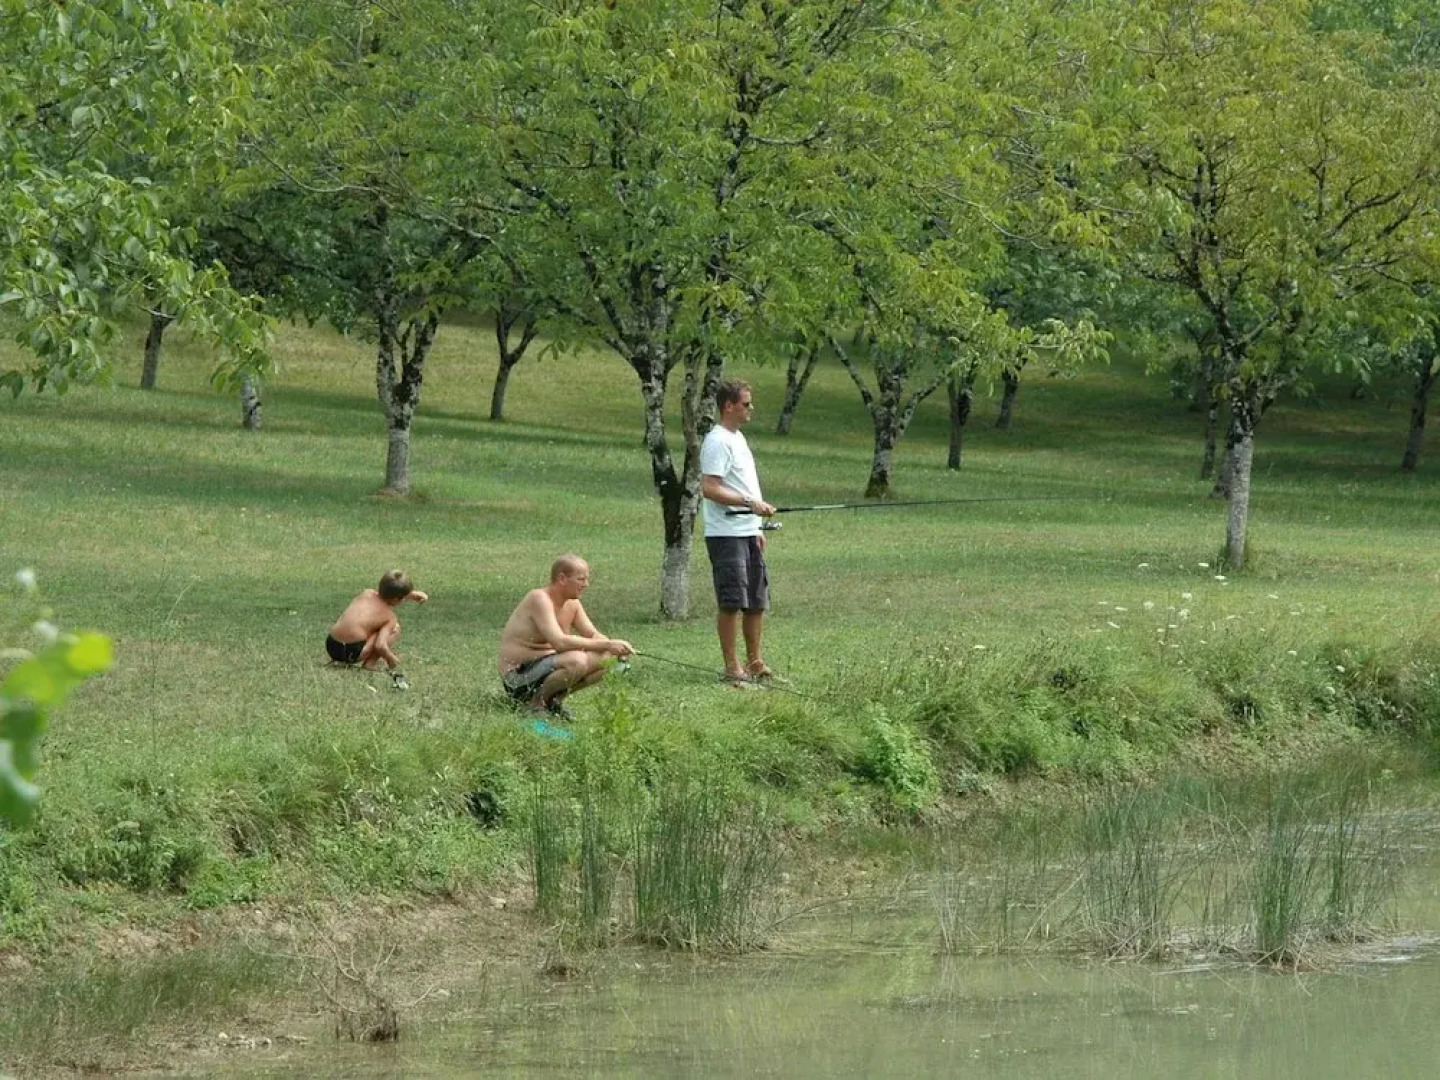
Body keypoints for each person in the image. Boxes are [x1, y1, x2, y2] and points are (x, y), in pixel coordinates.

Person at [700, 378, 777, 685]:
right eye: (746, 403)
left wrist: (757, 525)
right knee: (732, 601)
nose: (751, 408)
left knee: (756, 600)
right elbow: (710, 487)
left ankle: (755, 662)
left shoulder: (738, 439)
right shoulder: (717, 441)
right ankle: (732, 667)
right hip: (726, 533)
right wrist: (750, 503)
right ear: (728, 406)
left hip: (748, 531)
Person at [497, 555, 634, 721]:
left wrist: (615, 648)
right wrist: (607, 643)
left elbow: (592, 634)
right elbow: (559, 642)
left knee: (611, 660)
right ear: (562, 578)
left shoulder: (572, 603)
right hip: (518, 677)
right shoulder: (539, 598)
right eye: (581, 579)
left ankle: (553, 701)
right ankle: (534, 705)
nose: (586, 585)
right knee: (577, 660)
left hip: (548, 666)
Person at [326, 570, 429, 690]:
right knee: (395, 629)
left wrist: (410, 594)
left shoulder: (366, 593)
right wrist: (391, 659)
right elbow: (380, 646)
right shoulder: (389, 616)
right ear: (397, 599)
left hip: (331, 645)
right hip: (350, 653)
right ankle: (370, 664)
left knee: (367, 625)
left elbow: (385, 595)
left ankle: (342, 659)